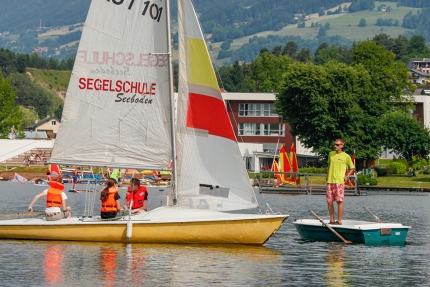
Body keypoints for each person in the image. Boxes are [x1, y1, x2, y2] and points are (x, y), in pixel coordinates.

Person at [326, 138, 355, 225]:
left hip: (339, 181)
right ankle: (332, 220)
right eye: (335, 144)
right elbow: (329, 165)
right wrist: (327, 175)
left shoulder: (346, 156)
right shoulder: (331, 154)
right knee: (329, 201)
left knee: (339, 201)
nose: (335, 146)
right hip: (330, 181)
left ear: (342, 145)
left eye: (337, 145)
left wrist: (347, 175)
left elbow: (352, 168)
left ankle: (339, 221)